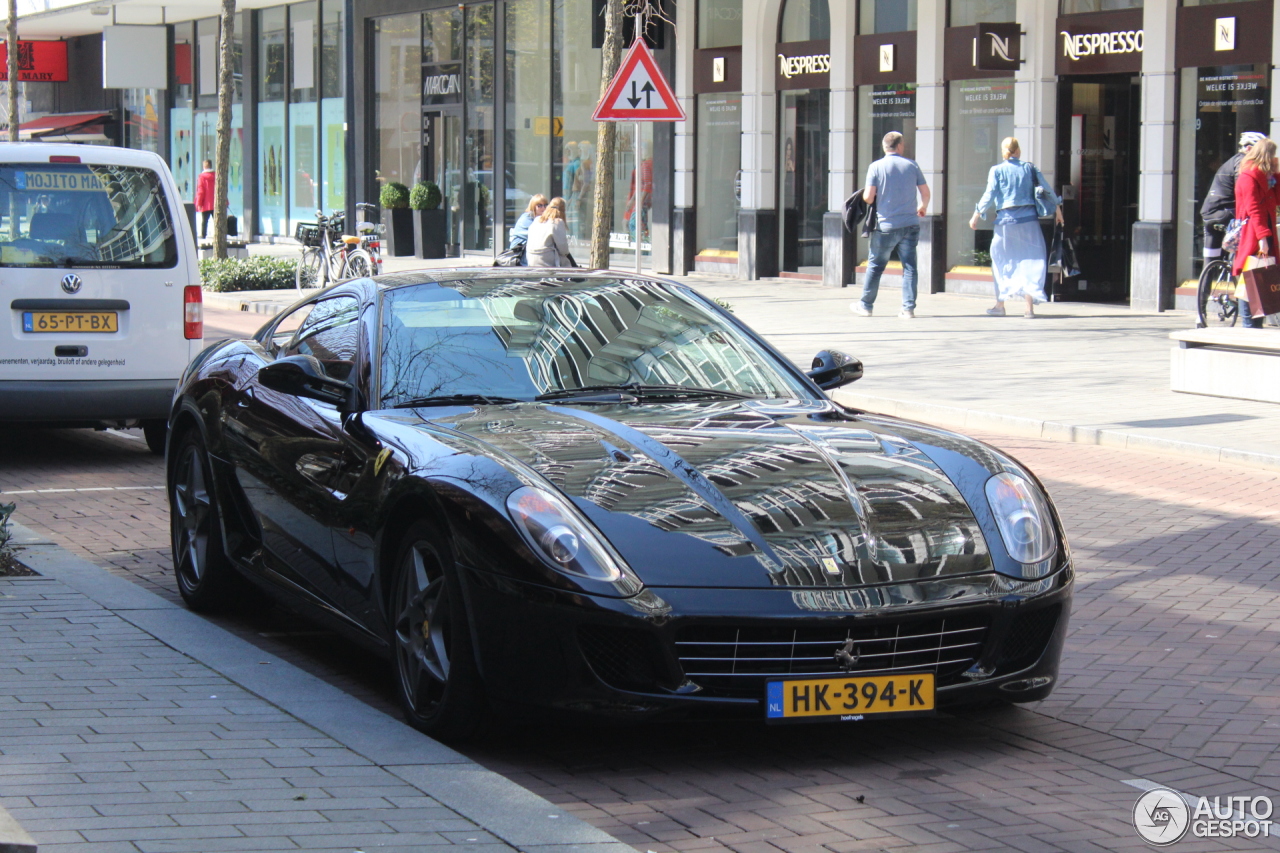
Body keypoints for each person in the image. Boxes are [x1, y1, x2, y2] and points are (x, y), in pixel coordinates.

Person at [969, 137, 1064, 319]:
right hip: (1029, 222)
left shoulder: (996, 170)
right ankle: (1028, 309)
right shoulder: (1029, 168)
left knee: (1001, 261)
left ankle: (1000, 305)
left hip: (1005, 224)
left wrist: (977, 214)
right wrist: (1057, 209)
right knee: (1030, 261)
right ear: (1018, 150)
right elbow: (1047, 189)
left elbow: (989, 194)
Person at [851, 131, 930, 319]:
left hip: (885, 225)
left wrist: (863, 196)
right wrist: (923, 206)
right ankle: (908, 308)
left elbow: (869, 197)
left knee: (876, 266)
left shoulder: (876, 167)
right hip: (910, 224)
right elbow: (925, 192)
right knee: (910, 267)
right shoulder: (912, 165)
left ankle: (866, 306)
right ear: (900, 146)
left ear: (884, 146)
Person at [1231, 136, 1280, 328]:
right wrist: (1262, 238)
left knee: (1259, 277)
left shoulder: (1265, 177)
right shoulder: (1249, 176)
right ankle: (1249, 325)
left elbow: (1277, 200)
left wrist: (1276, 174)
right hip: (1253, 232)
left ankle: (1256, 322)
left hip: (1262, 230)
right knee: (1250, 277)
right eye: (1272, 156)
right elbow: (1254, 209)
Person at [1201, 131, 1267, 264]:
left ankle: (1205, 280)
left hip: (1209, 214)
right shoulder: (1242, 162)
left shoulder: (1230, 161)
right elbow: (1243, 192)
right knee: (1250, 231)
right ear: (1248, 148)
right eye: (1259, 150)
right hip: (1226, 213)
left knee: (1210, 257)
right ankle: (1237, 267)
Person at [526, 197, 571, 267]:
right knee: (567, 262)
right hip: (547, 260)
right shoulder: (557, 222)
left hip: (531, 259)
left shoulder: (537, 220)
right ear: (563, 210)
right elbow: (564, 250)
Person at [510, 194, 548, 265]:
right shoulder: (526, 218)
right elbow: (537, 236)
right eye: (539, 205)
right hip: (520, 254)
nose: (543, 208)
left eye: (545, 205)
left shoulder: (541, 218)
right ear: (533, 207)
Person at [194, 159, 216, 240]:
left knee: (204, 221)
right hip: (216, 203)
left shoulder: (202, 177)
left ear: (204, 167)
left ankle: (203, 235)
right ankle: (218, 235)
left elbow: (201, 191)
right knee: (217, 220)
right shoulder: (216, 175)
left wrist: (199, 203)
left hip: (206, 203)